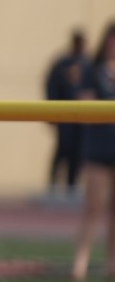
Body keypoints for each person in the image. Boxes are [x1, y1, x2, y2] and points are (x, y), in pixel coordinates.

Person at [70, 22, 115, 282]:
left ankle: (112, 264)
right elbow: (83, 105)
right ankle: (80, 263)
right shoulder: (92, 70)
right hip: (98, 148)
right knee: (94, 205)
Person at [45, 29, 90, 197]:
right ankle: (52, 187)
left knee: (77, 153)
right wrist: (50, 111)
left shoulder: (87, 64)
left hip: (81, 118)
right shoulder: (62, 64)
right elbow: (52, 87)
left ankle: (71, 187)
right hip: (64, 115)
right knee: (62, 149)